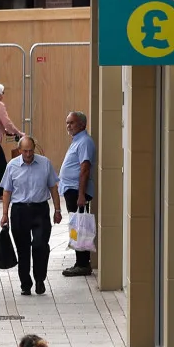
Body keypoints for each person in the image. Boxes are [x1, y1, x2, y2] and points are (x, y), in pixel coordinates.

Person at [0, 134, 63, 295]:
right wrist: (5, 214)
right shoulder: (12, 166)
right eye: (25, 151)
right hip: (19, 211)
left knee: (40, 245)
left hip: (40, 209)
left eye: (31, 151)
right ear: (19, 150)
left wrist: (57, 210)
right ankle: (25, 283)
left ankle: (40, 279)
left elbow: (53, 188)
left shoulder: (44, 163)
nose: (28, 154)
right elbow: (7, 191)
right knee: (23, 248)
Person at [60, 110, 97, 276]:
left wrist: (81, 195)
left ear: (82, 124)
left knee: (79, 227)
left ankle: (83, 263)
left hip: (77, 191)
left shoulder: (84, 142)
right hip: (71, 190)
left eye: (72, 123)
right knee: (76, 226)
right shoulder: (76, 140)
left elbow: (85, 168)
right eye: (67, 122)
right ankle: (79, 261)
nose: (68, 126)